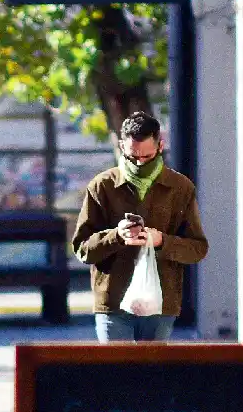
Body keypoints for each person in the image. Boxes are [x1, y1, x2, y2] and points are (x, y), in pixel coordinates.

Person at [71, 111, 208, 342]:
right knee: (117, 373)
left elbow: (197, 248)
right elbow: (82, 248)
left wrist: (161, 241)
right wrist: (116, 236)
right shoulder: (102, 186)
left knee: (151, 375)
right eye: (132, 156)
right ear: (122, 146)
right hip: (113, 301)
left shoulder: (180, 187)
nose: (139, 163)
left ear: (160, 146)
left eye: (147, 156)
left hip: (160, 302)